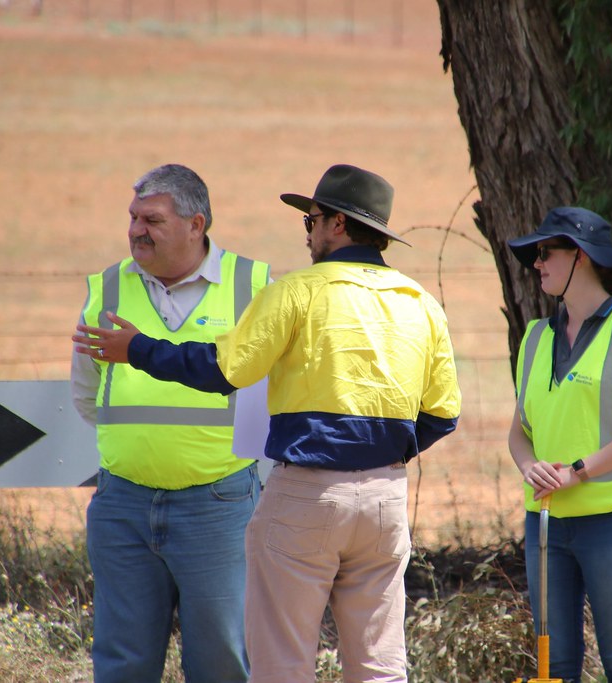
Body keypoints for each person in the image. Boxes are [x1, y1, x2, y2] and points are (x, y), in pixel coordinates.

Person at [72, 163, 462, 683]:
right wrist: (378, 453)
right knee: (380, 666)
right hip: (386, 498)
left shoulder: (295, 292)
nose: (308, 233)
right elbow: (443, 414)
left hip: (307, 495)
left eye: (312, 220)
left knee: (281, 660)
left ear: (338, 225)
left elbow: (222, 371)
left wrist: (138, 349)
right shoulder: (422, 305)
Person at [70, 163, 270, 683]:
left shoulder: (255, 286)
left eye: (152, 219)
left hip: (219, 506)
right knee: (122, 662)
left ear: (195, 224)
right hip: (123, 506)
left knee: (222, 661)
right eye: (133, 217)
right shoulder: (107, 288)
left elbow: (274, 398)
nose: (137, 229)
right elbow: (89, 397)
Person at [506, 207, 612, 683]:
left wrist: (576, 472)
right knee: (552, 668)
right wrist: (529, 466)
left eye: (545, 252)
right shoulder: (534, 337)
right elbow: (519, 432)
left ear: (579, 257)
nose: (537, 263)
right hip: (548, 525)